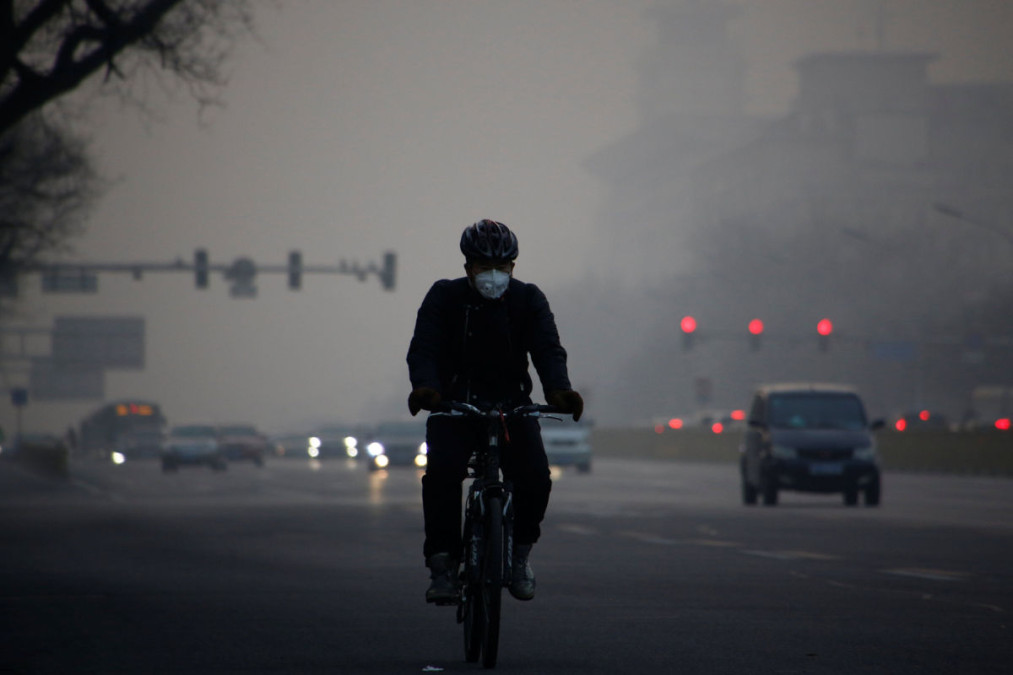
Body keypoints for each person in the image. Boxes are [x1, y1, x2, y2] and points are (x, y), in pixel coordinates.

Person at [406, 219, 583, 604]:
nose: (493, 275)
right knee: (442, 476)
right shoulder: (444, 297)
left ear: (513, 267)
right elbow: (425, 348)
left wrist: (559, 390)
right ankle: (442, 564)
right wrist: (426, 388)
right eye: (484, 267)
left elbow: (548, 349)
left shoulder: (528, 299)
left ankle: (519, 556)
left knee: (535, 478)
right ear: (468, 267)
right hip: (455, 407)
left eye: (501, 267)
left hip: (512, 408)